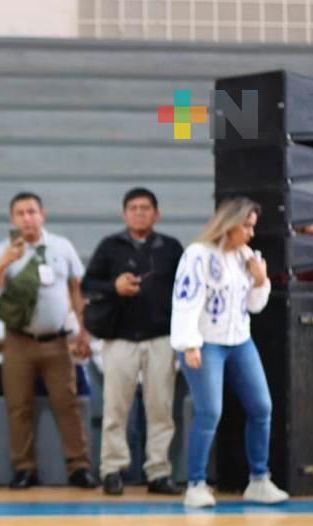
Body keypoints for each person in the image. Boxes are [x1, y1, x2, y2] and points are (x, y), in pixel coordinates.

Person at [171, 197, 289, 508]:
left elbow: (253, 306)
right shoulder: (197, 255)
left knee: (261, 407)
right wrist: (189, 344)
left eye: (253, 226)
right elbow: (186, 300)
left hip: (240, 340)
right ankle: (195, 484)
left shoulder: (245, 255)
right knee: (209, 411)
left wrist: (260, 280)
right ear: (229, 224)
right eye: (247, 226)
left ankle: (259, 480)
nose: (252, 233)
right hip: (204, 342)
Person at [0, 192, 96, 490]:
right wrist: (6, 261)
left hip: (58, 342)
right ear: (12, 219)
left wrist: (83, 331)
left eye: (32, 212)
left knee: (67, 404)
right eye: (20, 213)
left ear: (42, 215)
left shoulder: (61, 246)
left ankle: (79, 467)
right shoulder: (2, 249)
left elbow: (75, 289)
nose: (27, 218)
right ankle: (24, 469)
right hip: (18, 341)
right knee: (18, 407)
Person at [81, 188, 184, 497]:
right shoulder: (110, 247)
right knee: (115, 409)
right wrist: (114, 286)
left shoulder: (171, 248)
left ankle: (159, 471)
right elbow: (88, 286)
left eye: (145, 208)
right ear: (124, 214)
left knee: (161, 408)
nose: (139, 213)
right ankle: (112, 470)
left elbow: (186, 290)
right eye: (134, 208)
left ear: (157, 214)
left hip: (161, 339)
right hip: (120, 340)